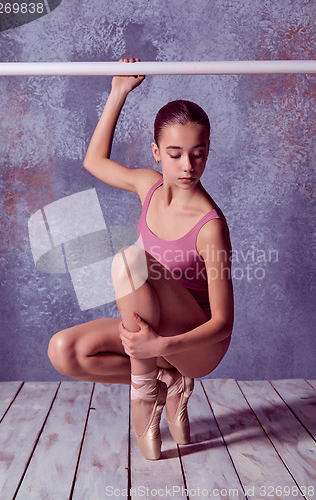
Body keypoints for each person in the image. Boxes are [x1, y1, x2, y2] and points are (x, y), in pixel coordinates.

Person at [48, 57, 234, 461]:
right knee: (64, 350)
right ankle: (166, 381)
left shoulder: (210, 227)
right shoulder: (148, 187)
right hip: (152, 339)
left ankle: (145, 392)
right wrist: (118, 91)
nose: (187, 166)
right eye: (175, 153)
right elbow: (93, 162)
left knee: (129, 260)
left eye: (198, 154)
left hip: (195, 347)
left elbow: (223, 324)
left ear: (207, 153)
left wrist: (163, 343)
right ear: (156, 153)